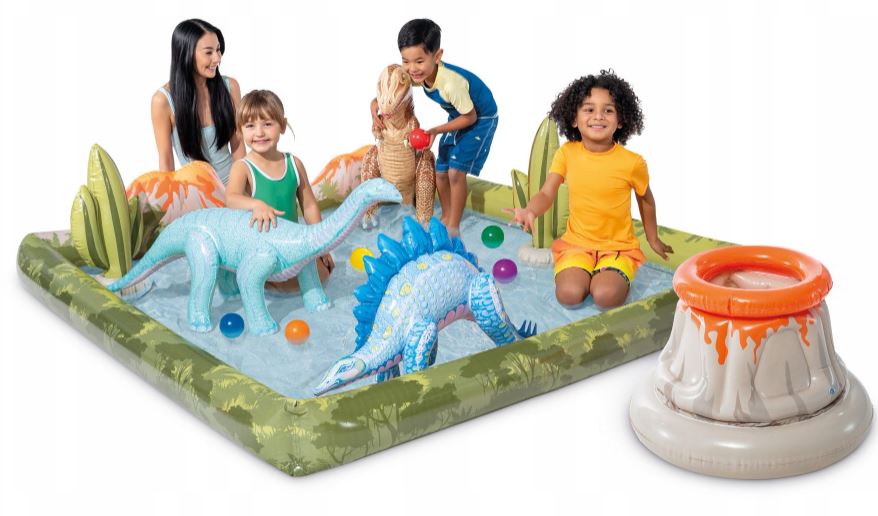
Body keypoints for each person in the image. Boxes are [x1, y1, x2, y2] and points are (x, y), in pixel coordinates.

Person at [507, 71, 673, 309]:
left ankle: (610, 275)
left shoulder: (632, 162)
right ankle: (586, 272)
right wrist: (530, 210)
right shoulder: (567, 153)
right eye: (589, 109)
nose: (598, 116)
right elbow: (546, 193)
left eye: (608, 110)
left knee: (605, 296)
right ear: (574, 118)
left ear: (621, 120)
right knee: (568, 294)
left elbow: (645, 199)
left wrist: (652, 238)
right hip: (576, 244)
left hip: (617, 248)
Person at [371, 18, 498, 237]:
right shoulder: (417, 74)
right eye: (406, 61)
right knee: (440, 171)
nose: (412, 69)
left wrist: (436, 131)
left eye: (419, 61)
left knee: (455, 172)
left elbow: (470, 117)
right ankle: (446, 216)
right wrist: (374, 108)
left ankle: (454, 226)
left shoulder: (450, 83)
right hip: (458, 114)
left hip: (481, 118)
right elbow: (389, 94)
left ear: (437, 56)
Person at [225, 90, 334, 291]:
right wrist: (256, 204)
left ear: (282, 126)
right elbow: (230, 199)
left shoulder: (293, 163)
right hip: (260, 250)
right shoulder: (243, 168)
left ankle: (277, 282)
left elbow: (309, 205)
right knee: (293, 285)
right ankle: (261, 282)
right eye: (250, 126)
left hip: (291, 246)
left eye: (267, 124)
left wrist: (321, 245)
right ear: (240, 130)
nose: (259, 133)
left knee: (324, 273)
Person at [151, 19, 244, 184]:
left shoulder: (230, 87)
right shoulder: (162, 100)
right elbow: (166, 161)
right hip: (196, 193)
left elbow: (238, 144)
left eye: (218, 50)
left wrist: (241, 188)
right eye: (208, 52)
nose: (217, 58)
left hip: (233, 189)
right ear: (186, 54)